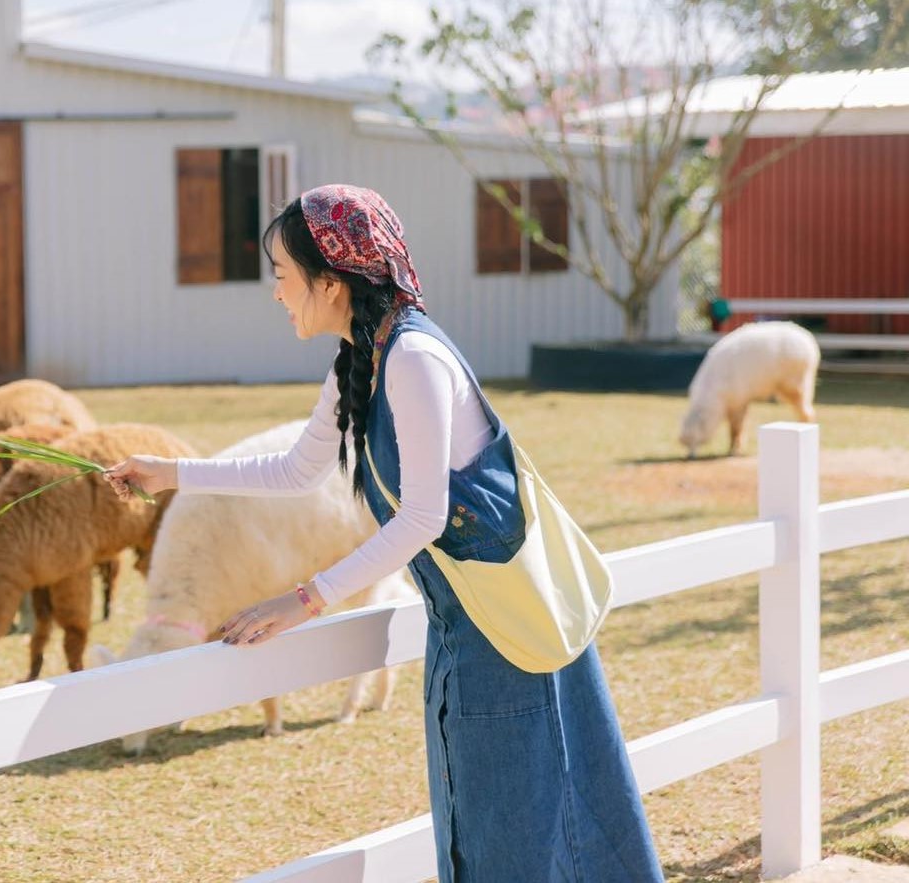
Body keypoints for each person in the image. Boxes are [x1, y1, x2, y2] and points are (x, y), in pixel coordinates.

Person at [104, 185, 663, 882]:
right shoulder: (364, 357)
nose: (276, 292)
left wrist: (302, 599)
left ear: (330, 282)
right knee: (491, 821)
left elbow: (423, 515)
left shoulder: (413, 359)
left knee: (523, 826)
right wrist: (170, 473)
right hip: (467, 624)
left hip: (507, 628)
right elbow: (298, 467)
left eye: (282, 275)